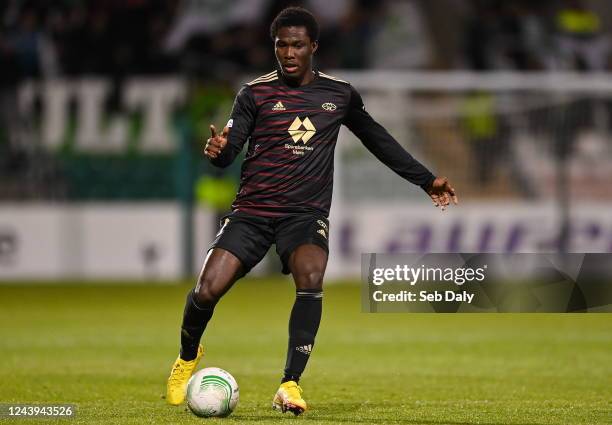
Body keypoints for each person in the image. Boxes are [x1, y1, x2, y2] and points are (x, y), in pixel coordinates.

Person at [166, 6, 458, 416]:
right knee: (207, 289)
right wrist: (217, 153)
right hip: (252, 211)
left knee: (311, 276)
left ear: (313, 47)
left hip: (304, 214)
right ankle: (186, 357)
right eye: (281, 44)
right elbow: (229, 149)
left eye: (297, 45)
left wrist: (426, 180)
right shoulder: (254, 93)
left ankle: (289, 383)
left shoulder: (339, 95)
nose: (288, 52)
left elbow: (378, 140)